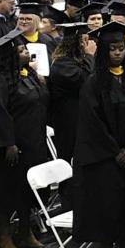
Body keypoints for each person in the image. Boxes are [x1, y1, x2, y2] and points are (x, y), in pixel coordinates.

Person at [72, 22, 125, 248]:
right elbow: (92, 123)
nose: (117, 53)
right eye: (112, 49)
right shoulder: (94, 83)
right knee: (107, 214)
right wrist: (116, 151)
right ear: (103, 51)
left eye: (121, 48)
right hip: (104, 162)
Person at [0, 28, 49, 248]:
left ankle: (25, 230)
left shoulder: (27, 75)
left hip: (32, 142)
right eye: (21, 50)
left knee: (27, 191)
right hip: (10, 149)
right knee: (7, 191)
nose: (26, 53)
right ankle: (4, 235)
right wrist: (8, 142)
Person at [47, 22, 94, 166]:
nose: (88, 44)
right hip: (69, 123)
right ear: (74, 43)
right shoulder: (61, 64)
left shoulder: (77, 61)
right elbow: (84, 81)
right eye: (84, 40)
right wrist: (90, 55)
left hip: (83, 120)